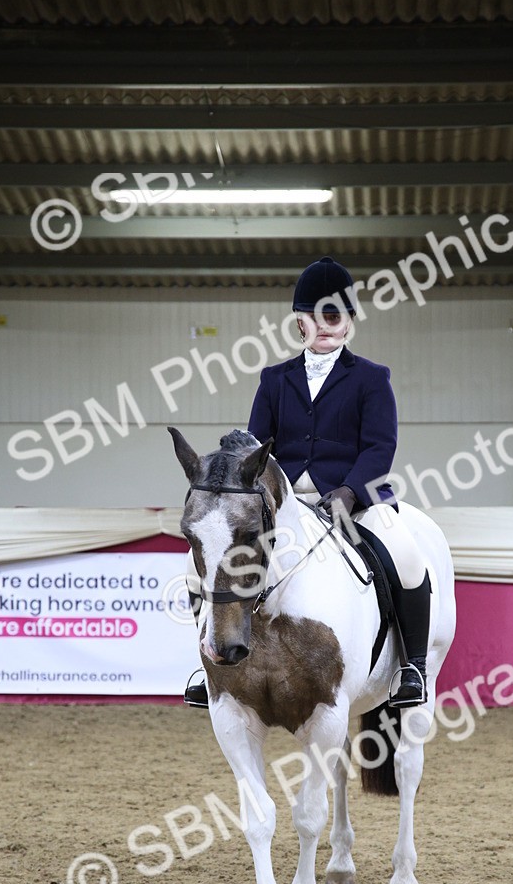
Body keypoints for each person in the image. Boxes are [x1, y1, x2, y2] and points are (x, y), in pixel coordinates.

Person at [184, 256, 431, 710]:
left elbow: (380, 446)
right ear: (299, 321)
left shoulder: (373, 379)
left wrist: (351, 490)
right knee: (196, 561)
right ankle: (208, 666)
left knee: (407, 554)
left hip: (354, 498)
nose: (323, 325)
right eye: (313, 316)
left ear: (348, 322)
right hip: (284, 502)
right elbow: (255, 447)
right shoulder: (275, 379)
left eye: (333, 316)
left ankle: (412, 667)